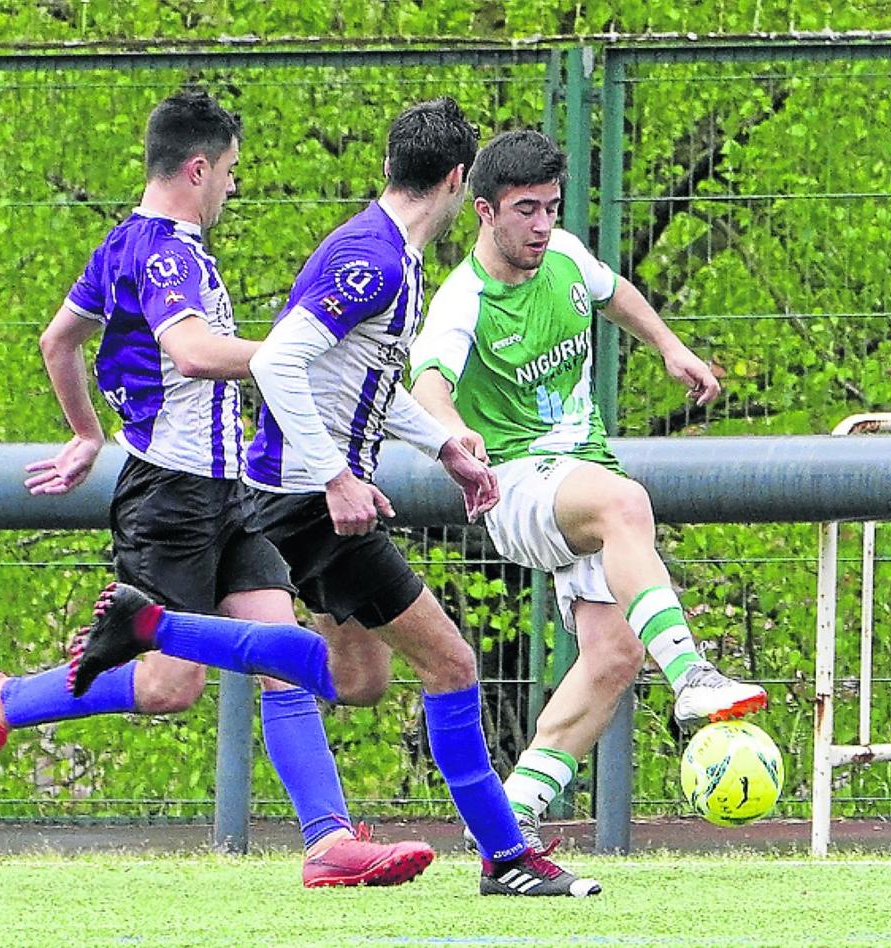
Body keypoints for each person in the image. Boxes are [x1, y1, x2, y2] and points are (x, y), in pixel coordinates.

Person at [70, 98, 602, 897]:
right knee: (452, 663)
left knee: (358, 680)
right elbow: (283, 363)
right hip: (305, 499)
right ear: (460, 182)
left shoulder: (393, 254)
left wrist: (444, 445)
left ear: (391, 166)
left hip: (293, 493)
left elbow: (356, 380)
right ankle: (505, 856)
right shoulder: (376, 259)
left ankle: (153, 624)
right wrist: (336, 475)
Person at [0, 88, 435, 890]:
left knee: (282, 657)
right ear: (198, 167)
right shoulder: (166, 253)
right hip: (169, 498)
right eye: (231, 173)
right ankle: (0, 701)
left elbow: (58, 340)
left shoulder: (125, 243)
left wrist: (86, 434)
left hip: (229, 492)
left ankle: (328, 841)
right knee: (171, 687)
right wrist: (298, 353)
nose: (233, 189)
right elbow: (197, 352)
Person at [408, 128, 768, 861]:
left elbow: (614, 292)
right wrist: (455, 439)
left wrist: (672, 348)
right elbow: (427, 388)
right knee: (625, 503)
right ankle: (692, 675)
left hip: (577, 469)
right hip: (511, 484)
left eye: (551, 207)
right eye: (525, 211)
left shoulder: (565, 254)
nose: (542, 225)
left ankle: (507, 827)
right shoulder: (462, 303)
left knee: (611, 656)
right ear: (483, 211)